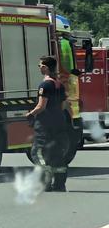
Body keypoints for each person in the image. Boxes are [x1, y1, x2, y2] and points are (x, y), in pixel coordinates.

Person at [28, 55, 69, 193]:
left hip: (45, 125)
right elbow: (63, 106)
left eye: (40, 66)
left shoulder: (44, 85)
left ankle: (45, 183)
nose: (39, 68)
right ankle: (59, 184)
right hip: (59, 123)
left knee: (38, 153)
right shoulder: (60, 84)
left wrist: (30, 114)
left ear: (45, 67)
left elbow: (41, 106)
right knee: (57, 153)